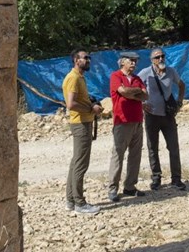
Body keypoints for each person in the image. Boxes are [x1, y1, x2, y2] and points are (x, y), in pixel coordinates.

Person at [139, 47, 187, 191]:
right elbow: (135, 88)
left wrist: (179, 101)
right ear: (151, 60)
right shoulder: (145, 73)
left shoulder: (171, 71)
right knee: (152, 148)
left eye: (162, 56)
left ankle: (176, 179)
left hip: (168, 115)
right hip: (152, 116)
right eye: (157, 57)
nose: (160, 59)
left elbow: (181, 85)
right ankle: (156, 178)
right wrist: (141, 104)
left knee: (173, 147)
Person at [63, 49, 103, 216]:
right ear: (75, 60)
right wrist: (91, 108)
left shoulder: (79, 77)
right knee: (81, 164)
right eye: (84, 58)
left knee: (76, 162)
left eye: (89, 58)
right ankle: (80, 203)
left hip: (82, 122)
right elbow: (71, 104)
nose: (88, 60)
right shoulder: (73, 78)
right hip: (80, 123)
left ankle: (71, 200)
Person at [107, 51, 148, 203]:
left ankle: (130, 186)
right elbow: (122, 92)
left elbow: (145, 95)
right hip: (122, 121)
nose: (134, 63)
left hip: (137, 120)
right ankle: (112, 188)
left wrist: (133, 93)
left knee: (135, 155)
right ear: (122, 62)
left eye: (135, 61)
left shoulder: (137, 78)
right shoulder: (116, 76)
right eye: (131, 60)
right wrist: (134, 93)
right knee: (118, 155)